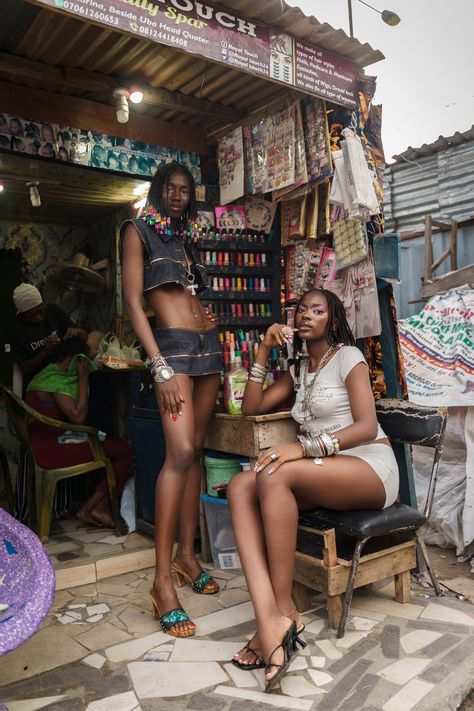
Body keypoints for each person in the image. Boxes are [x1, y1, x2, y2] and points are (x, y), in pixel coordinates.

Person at [227, 288, 399, 692]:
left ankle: (283, 612)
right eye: (300, 310)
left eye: (316, 310)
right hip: (327, 470)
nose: (305, 316)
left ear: (332, 319)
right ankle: (270, 619)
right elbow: (250, 408)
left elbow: (366, 427)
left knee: (273, 471)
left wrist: (300, 448)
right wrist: (262, 353)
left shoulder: (348, 358)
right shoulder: (301, 369)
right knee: (239, 486)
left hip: (368, 466)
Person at [121, 161, 223, 638]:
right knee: (179, 453)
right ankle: (162, 582)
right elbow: (132, 302)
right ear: (159, 189)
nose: (178, 195)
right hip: (173, 353)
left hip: (207, 351)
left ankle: (186, 556)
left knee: (197, 450)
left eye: (185, 190)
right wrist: (158, 363)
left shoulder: (186, 239)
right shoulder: (137, 231)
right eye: (171, 188)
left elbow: (192, 296)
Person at [25, 335, 133, 528]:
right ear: (73, 359)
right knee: (124, 451)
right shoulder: (57, 381)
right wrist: (83, 379)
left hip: (45, 445)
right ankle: (94, 507)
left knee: (114, 445)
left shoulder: (47, 375)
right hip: (52, 451)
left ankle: (93, 505)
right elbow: (78, 417)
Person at [8, 283, 87, 384]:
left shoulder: (53, 311)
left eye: (41, 311)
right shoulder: (16, 330)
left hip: (63, 373)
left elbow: (85, 337)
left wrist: (77, 332)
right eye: (31, 316)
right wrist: (44, 352)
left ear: (43, 304)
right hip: (39, 380)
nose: (38, 318)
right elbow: (23, 369)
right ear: (22, 315)